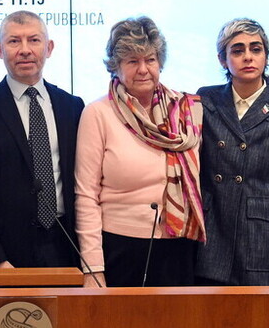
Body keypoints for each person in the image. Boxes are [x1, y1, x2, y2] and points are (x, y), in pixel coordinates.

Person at [74, 16, 204, 287]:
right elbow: (86, 196)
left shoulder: (186, 110)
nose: (143, 69)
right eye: (132, 61)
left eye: (150, 60)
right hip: (121, 249)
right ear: (116, 67)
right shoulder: (97, 113)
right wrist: (93, 267)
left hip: (179, 246)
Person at [0, 11, 85, 269]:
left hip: (65, 244)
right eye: (14, 41)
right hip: (5, 251)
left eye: (34, 40)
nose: (25, 50)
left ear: (49, 48)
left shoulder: (72, 107)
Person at [195, 18, 269, 286]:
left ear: (266, 56)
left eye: (256, 49)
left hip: (264, 241)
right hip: (213, 239)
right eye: (237, 50)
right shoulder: (206, 100)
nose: (248, 57)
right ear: (222, 60)